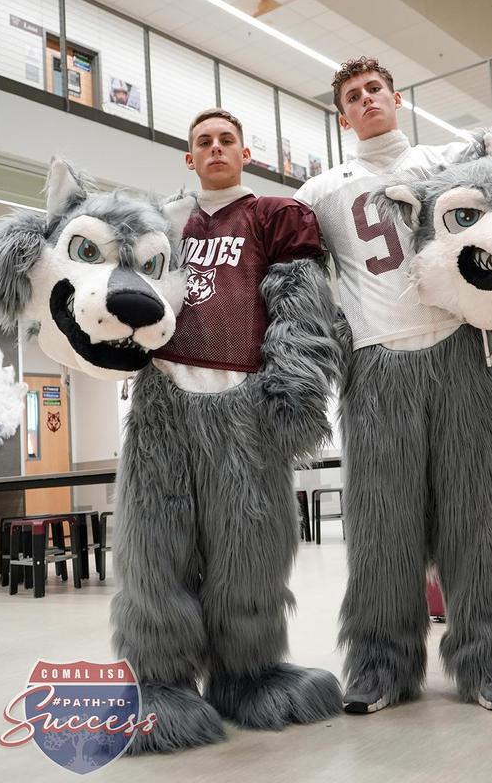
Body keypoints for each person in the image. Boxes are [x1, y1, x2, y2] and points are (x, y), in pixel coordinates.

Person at [296, 58, 492, 714]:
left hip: (462, 350)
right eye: (353, 95)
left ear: (395, 97)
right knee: (380, 528)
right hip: (375, 364)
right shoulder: (321, 190)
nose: (367, 99)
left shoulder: (445, 162)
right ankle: (380, 668)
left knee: (481, 516)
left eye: (375, 89)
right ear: (343, 115)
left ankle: (489, 663)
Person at [109, 107, 343, 754]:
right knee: (155, 548)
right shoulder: (163, 223)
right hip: (163, 402)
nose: (214, 148)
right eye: (202, 142)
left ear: (244, 151)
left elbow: (301, 308)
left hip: (244, 402)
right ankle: (158, 681)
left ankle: (249, 674)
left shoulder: (275, 216)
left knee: (251, 546)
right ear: (189, 157)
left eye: (225, 140)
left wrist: (294, 390)